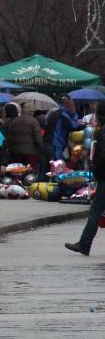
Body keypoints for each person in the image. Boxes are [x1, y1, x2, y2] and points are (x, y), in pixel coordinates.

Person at [66, 104, 105, 255]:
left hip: (104, 176)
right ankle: (84, 243)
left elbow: (103, 155)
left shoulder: (102, 133)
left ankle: (84, 243)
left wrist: (96, 169)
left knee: (95, 211)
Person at [5, 102, 41, 175]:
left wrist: (11, 149)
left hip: (16, 153)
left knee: (17, 172)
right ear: (31, 112)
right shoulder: (33, 122)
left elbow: (9, 138)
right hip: (30, 153)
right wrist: (40, 149)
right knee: (29, 173)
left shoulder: (14, 121)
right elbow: (38, 138)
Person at [49, 95, 81, 161]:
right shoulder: (63, 114)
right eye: (71, 103)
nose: (73, 105)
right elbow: (73, 126)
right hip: (56, 144)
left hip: (50, 143)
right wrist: (75, 115)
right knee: (57, 165)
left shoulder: (54, 112)